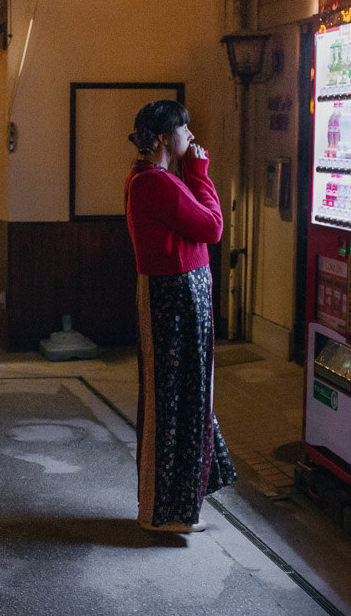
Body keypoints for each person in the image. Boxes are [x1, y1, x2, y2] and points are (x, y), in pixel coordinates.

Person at [123, 99, 236, 533]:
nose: (192, 138)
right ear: (167, 137)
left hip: (178, 299)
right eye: (186, 130)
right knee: (171, 405)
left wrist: (192, 173)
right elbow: (212, 228)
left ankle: (174, 507)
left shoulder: (158, 179)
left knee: (184, 401)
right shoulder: (155, 183)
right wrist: (201, 173)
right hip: (173, 300)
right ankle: (163, 510)